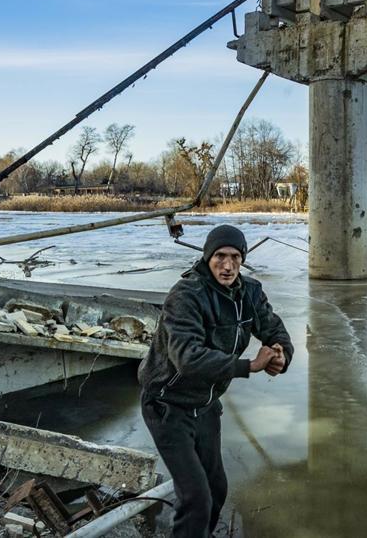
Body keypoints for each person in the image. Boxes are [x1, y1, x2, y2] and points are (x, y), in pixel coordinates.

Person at [138, 224, 293, 538]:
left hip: (206, 405)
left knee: (216, 489)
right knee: (196, 498)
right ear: (208, 258)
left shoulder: (249, 292)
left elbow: (273, 328)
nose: (227, 265)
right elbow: (188, 357)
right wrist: (249, 365)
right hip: (168, 406)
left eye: (235, 257)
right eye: (220, 256)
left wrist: (280, 355)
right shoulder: (186, 295)